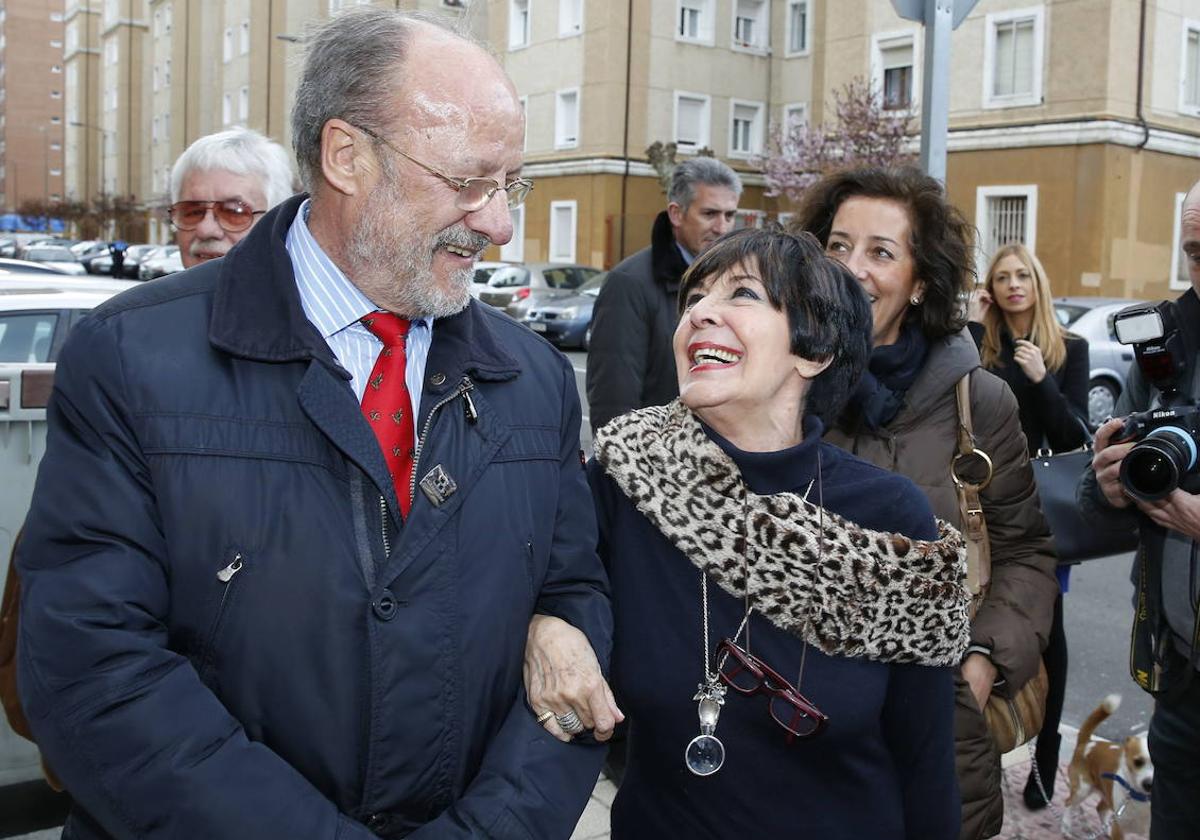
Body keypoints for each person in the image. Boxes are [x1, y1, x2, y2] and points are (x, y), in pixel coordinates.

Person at [16, 10, 611, 839]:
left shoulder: (535, 379)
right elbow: (91, 668)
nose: (499, 223)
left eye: (511, 185)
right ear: (346, 157)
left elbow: (576, 599)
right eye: (471, 183)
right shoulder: (130, 357)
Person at [532, 228, 969, 838]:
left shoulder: (889, 512)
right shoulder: (627, 478)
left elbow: (925, 758)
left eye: (742, 294)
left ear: (812, 351)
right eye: (694, 300)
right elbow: (545, 586)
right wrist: (545, 622)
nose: (701, 314)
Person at [791, 166, 1057, 840]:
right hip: (792, 724)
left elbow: (1026, 552)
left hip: (933, 730)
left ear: (919, 284)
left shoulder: (977, 401)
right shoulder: (778, 385)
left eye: (881, 252)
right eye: (838, 246)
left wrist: (981, 665)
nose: (853, 270)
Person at [1080, 178, 1200, 840]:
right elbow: (1101, 507)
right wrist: (1109, 484)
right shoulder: (1164, 344)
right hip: (1182, 678)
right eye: (1197, 251)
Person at [969, 242, 1089, 809]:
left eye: (1023, 275)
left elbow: (1075, 441)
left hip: (1043, 517)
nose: (1014, 284)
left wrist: (1042, 379)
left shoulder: (1069, 350)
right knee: (979, 631)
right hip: (982, 513)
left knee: (1049, 636)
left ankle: (1043, 762)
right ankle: (981, 753)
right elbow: (957, 411)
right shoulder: (982, 349)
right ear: (991, 289)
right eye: (1003, 277)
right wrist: (971, 327)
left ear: (1037, 282)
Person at [586, 157, 741, 430]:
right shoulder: (629, 283)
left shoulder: (738, 284)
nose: (722, 228)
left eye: (730, 215)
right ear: (676, 214)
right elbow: (613, 400)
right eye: (709, 214)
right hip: (658, 462)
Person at [167, 127, 295, 268]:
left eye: (233, 212)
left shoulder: (310, 289)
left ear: (278, 221)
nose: (205, 230)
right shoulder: (151, 290)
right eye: (192, 212)